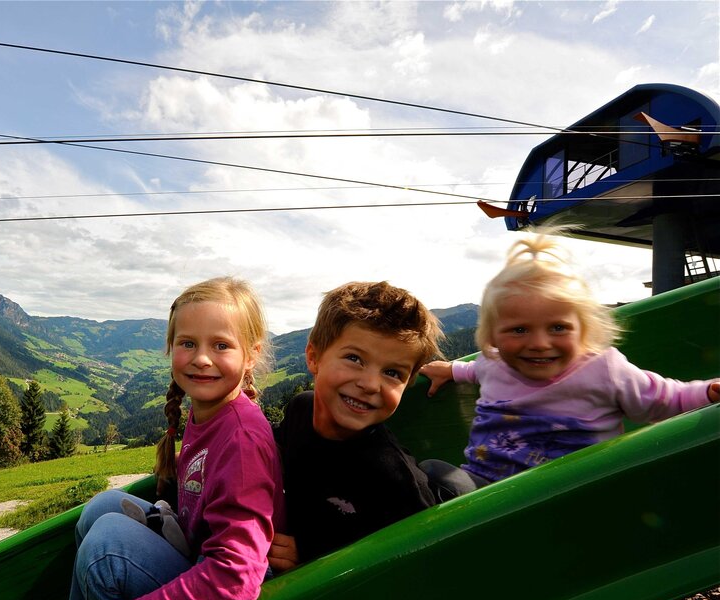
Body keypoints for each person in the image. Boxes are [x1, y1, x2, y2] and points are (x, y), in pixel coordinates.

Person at [61, 276, 285, 600]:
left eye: (221, 345)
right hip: (197, 554)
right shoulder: (209, 411)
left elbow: (235, 577)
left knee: (105, 549)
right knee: (102, 507)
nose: (201, 358)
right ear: (170, 347)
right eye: (188, 343)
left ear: (250, 355)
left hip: (238, 599)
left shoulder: (242, 439)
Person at [419, 230, 720, 500]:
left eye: (558, 328)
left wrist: (708, 392)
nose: (539, 343)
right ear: (492, 337)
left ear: (584, 330)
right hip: (485, 486)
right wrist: (450, 370)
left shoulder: (603, 368)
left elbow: (662, 398)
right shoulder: (494, 361)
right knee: (430, 473)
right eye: (519, 330)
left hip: (571, 493)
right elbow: (474, 370)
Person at [267, 281, 443, 571]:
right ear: (314, 357)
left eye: (392, 373)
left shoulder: (394, 481)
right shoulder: (300, 409)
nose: (370, 384)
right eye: (354, 359)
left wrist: (313, 552)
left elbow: (420, 555)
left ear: (407, 383)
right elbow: (269, 451)